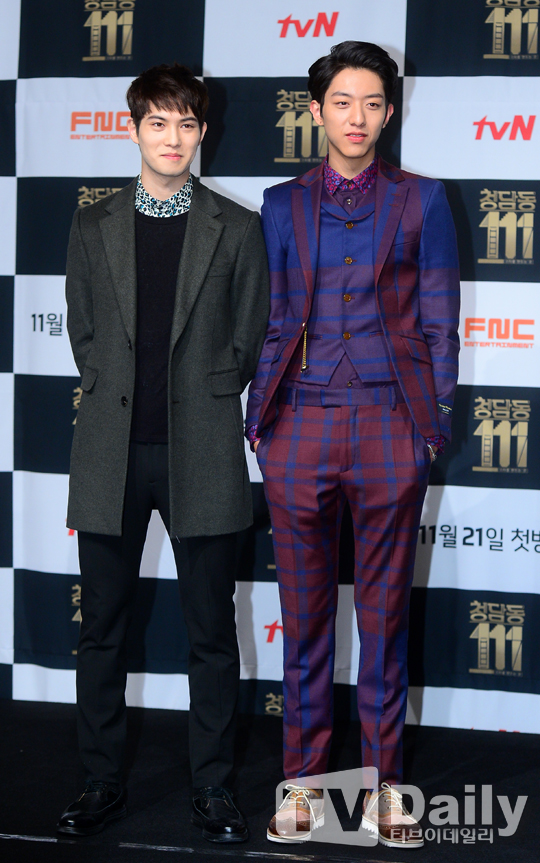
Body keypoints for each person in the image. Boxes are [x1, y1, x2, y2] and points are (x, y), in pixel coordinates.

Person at [246, 41, 459, 849]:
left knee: (384, 620)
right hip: (299, 423)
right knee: (303, 622)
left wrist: (428, 424)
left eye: (372, 102)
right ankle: (302, 786)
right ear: (317, 111)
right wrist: (261, 421)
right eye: (342, 102)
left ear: (389, 112)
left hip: (389, 424)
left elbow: (440, 320)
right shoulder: (280, 203)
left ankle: (383, 789)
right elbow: (274, 318)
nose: (357, 117)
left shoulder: (424, 199)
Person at [57, 62, 269, 843]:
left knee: (211, 631)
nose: (172, 137)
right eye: (157, 122)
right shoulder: (93, 224)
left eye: (186, 123)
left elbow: (248, 338)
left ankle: (212, 785)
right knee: (102, 629)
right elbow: (85, 332)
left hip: (202, 452)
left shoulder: (236, 227)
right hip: (110, 453)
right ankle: (101, 780)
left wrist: (204, 397)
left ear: (202, 131)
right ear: (135, 128)